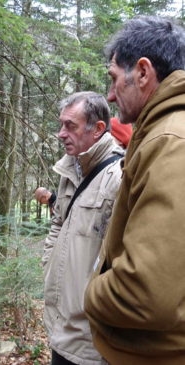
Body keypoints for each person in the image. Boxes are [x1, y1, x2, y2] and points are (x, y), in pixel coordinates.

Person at [84, 16, 185, 365]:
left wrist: (92, 291)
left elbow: (146, 293)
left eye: (114, 79)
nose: (110, 95)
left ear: (142, 73)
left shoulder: (171, 141)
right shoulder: (162, 133)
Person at [43, 91, 124, 365]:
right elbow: (58, 224)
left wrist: (93, 304)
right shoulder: (71, 169)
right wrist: (48, 266)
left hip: (92, 339)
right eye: (60, 125)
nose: (61, 134)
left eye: (71, 126)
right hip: (59, 325)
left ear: (98, 129)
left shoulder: (120, 176)